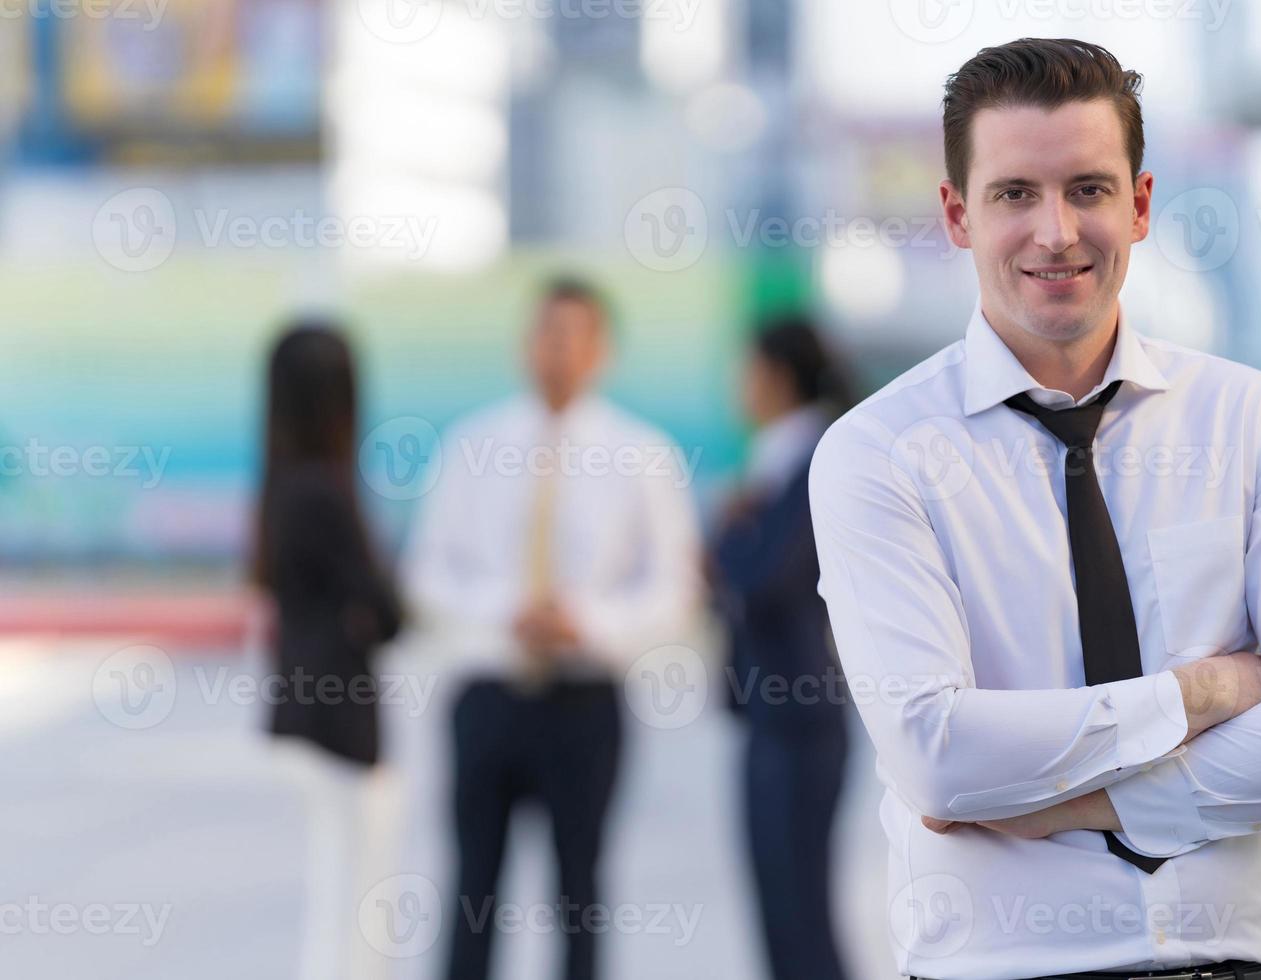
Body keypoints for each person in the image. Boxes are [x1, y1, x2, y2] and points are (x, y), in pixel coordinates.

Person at [807, 38, 1261, 980]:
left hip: (1237, 962)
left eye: (1087, 189)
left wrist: (1080, 804)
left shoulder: (1250, 421)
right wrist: (1200, 696)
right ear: (957, 214)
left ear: (1141, 203)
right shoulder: (879, 455)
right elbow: (941, 761)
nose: (1056, 232)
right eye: (1014, 195)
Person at [402, 277, 702, 980]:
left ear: (602, 351)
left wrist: (589, 622)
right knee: (473, 888)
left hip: (585, 701)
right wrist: (506, 611)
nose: (555, 352)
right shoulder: (472, 445)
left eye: (572, 337)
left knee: (581, 894)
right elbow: (427, 572)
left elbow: (673, 588)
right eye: (543, 334)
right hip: (490, 692)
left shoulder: (641, 455)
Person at [250, 320, 404, 980]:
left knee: (331, 901)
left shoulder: (280, 487)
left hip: (298, 713)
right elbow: (388, 611)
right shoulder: (326, 492)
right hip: (338, 725)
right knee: (351, 910)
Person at [709, 315, 852, 980]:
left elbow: (769, 578)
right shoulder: (777, 457)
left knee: (799, 913)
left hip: (799, 714)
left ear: (775, 374)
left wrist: (727, 535)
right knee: (778, 909)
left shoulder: (816, 452)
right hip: (772, 710)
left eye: (747, 368)